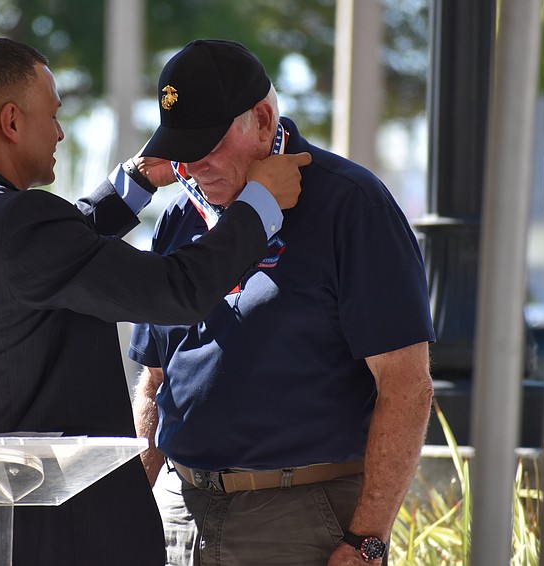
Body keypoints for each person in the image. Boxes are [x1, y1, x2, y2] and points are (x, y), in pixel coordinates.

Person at [0, 38, 310, 566]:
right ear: (11, 122)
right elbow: (178, 289)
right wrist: (259, 204)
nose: (60, 132)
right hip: (46, 535)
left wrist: (137, 180)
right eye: (53, 115)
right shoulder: (19, 225)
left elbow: (38, 259)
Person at [129, 39, 435, 566]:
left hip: (299, 519)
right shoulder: (179, 216)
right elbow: (155, 381)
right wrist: (129, 507)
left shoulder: (350, 204)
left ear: (263, 119)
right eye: (182, 148)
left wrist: (367, 542)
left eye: (207, 144)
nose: (194, 166)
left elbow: (407, 383)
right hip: (178, 512)